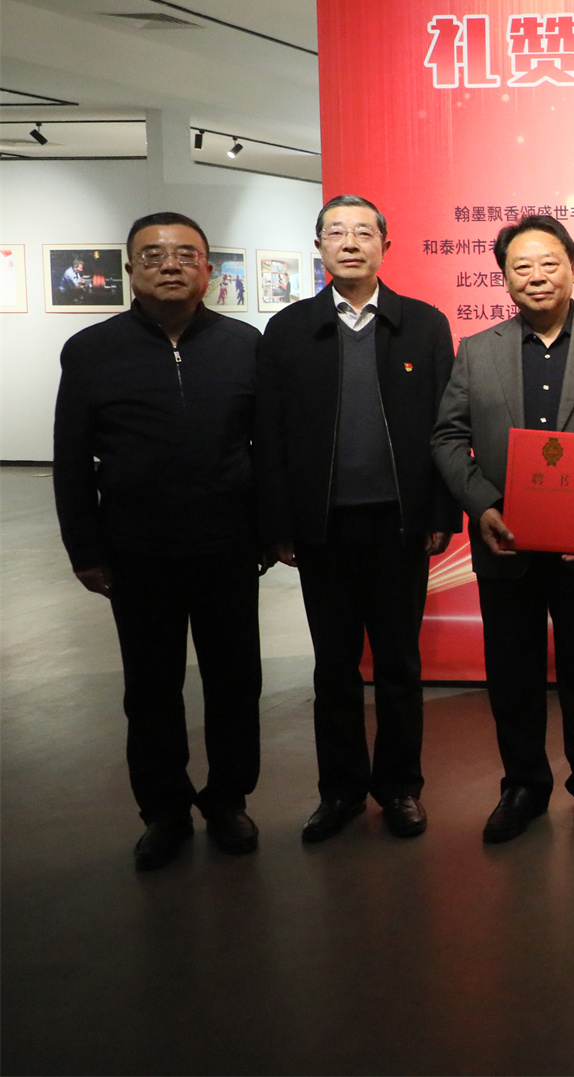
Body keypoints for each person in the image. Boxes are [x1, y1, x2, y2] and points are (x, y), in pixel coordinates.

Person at [432, 214, 574, 844]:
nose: (536, 276)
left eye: (549, 263)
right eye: (521, 266)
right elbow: (447, 436)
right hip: (503, 540)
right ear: (505, 278)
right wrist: (483, 507)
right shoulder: (479, 349)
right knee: (512, 670)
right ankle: (524, 785)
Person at [53, 212, 264, 870]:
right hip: (136, 550)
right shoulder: (91, 350)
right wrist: (85, 549)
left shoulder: (244, 345)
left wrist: (269, 530)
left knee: (235, 682)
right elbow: (70, 458)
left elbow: (269, 447)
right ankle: (164, 810)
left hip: (228, 545)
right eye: (152, 255)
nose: (169, 265)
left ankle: (228, 799)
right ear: (129, 269)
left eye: (184, 254)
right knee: (149, 688)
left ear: (208, 269)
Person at [255, 195, 457, 843]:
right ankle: (340, 789)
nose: (350, 243)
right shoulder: (289, 329)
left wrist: (441, 511)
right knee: (334, 666)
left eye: (363, 232)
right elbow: (269, 436)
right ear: (318, 246)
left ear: (384, 246)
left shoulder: (423, 324)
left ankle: (400, 787)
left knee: (399, 663)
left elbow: (448, 427)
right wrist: (279, 524)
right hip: (324, 528)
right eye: (336, 232)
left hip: (399, 524)